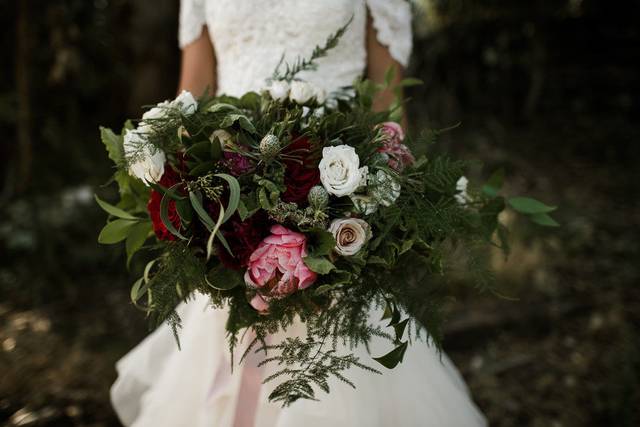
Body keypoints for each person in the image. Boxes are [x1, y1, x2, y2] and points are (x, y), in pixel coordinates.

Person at [111, 1, 487, 426]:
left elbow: (388, 103)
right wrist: (188, 191)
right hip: (229, 206)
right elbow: (191, 98)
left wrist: (373, 202)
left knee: (338, 373)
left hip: (337, 205)